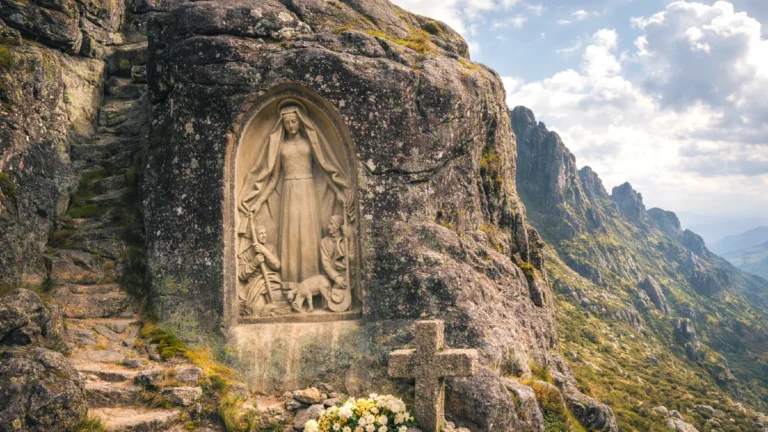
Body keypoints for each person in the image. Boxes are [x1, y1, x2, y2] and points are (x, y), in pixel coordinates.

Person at [238, 99, 351, 287]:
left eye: (294, 121)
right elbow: (272, 179)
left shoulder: (309, 143)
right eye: (287, 122)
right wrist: (257, 202)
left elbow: (325, 168)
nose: (291, 125)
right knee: (291, 236)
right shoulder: (281, 147)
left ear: (300, 121)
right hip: (289, 193)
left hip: (307, 191)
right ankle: (290, 283)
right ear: (282, 124)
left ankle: (312, 282)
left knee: (308, 235)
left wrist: (339, 191)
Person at [237, 225, 281, 316]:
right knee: (257, 309)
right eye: (261, 233)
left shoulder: (271, 248)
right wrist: (254, 263)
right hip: (255, 286)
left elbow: (277, 266)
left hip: (272, 283)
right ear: (255, 237)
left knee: (278, 302)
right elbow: (241, 275)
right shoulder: (247, 253)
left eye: (265, 233)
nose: (264, 235)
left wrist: (265, 252)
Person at [320, 215, 356, 293]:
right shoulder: (324, 242)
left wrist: (352, 239)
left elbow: (352, 259)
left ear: (338, 226)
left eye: (331, 224)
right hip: (331, 277)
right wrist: (336, 277)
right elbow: (326, 263)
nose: (328, 226)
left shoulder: (346, 241)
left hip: (347, 277)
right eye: (329, 223)